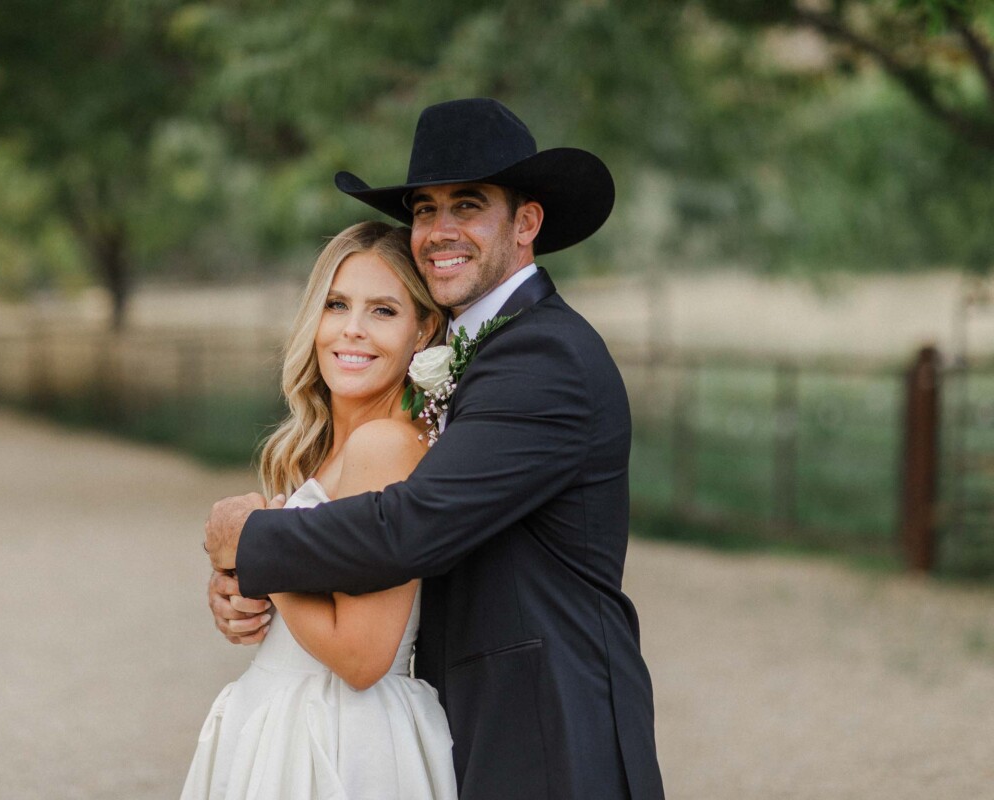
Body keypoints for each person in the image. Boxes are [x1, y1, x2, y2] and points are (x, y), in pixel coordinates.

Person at [205, 98, 665, 799]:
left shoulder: (544, 356)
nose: (439, 231)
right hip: (475, 715)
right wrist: (250, 588)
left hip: (548, 727)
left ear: (527, 223)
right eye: (425, 209)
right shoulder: (466, 351)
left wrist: (253, 542)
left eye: (468, 205)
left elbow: (411, 524)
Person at [180, 221, 457, 799]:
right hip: (280, 717)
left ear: (423, 329)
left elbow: (362, 655)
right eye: (337, 304)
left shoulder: (386, 446)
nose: (352, 330)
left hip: (336, 739)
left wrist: (258, 544)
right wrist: (238, 594)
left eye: (383, 311)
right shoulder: (315, 450)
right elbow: (304, 598)